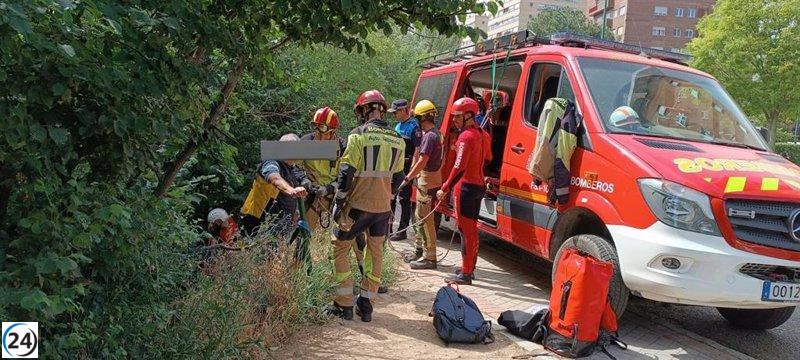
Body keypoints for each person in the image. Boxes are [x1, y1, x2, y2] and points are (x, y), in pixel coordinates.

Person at [328, 90, 405, 322]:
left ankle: (344, 304)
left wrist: (339, 200)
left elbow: (346, 172)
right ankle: (367, 304)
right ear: (382, 109)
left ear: (364, 110)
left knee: (340, 247)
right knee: (375, 252)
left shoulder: (358, 134)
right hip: (382, 209)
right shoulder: (398, 139)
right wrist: (386, 195)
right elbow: (399, 178)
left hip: (357, 206)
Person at [300, 107, 388, 293]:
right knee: (303, 235)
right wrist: (306, 181)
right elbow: (292, 165)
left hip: (337, 197)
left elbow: (347, 173)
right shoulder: (306, 142)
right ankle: (300, 279)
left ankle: (367, 278)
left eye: (322, 129)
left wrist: (330, 188)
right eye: (315, 128)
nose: (318, 133)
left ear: (333, 131)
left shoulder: (341, 146)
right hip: (313, 197)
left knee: (356, 238)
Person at [436, 97, 491, 285]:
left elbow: (459, 166)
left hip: (465, 188)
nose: (454, 120)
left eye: (458, 116)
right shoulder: (484, 135)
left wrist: (445, 187)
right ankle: (469, 268)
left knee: (465, 230)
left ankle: (466, 273)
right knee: (472, 230)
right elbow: (489, 158)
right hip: (478, 187)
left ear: (469, 115)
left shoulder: (465, 136)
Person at [400, 100, 444, 269]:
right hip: (433, 179)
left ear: (423, 117)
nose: (416, 121)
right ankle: (419, 251)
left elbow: (422, 161)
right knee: (419, 217)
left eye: (418, 117)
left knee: (425, 219)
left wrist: (407, 178)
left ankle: (429, 257)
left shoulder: (429, 136)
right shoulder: (438, 134)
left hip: (426, 181)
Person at [239, 134, 308, 240]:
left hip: (280, 222)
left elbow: (303, 180)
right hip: (256, 220)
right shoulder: (271, 162)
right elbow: (275, 178)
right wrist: (291, 191)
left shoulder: (292, 168)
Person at [387, 99, 422, 241]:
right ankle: (388, 228)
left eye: (396, 112)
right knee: (391, 198)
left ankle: (402, 231)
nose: (394, 115)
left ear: (403, 110)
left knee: (404, 199)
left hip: (406, 168)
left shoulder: (414, 128)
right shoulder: (398, 126)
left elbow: (417, 151)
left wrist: (411, 172)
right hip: (394, 167)